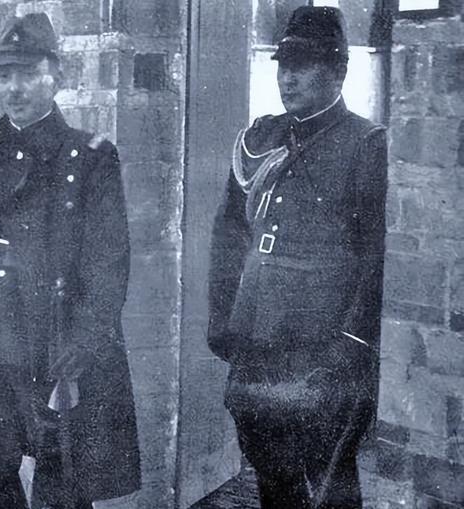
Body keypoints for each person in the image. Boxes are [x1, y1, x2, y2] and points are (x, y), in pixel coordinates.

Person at [0, 12, 140, 509]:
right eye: (4, 75)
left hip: (49, 340)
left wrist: (86, 340)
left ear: (56, 75)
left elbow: (108, 263)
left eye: (28, 73)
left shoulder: (89, 157)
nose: (15, 88)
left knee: (62, 479)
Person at [207, 6, 387, 509]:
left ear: (338, 72)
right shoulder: (260, 139)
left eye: (304, 66)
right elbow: (229, 235)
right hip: (257, 339)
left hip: (321, 351)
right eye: (284, 65)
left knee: (330, 482)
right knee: (271, 473)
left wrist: (351, 345)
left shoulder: (366, 145)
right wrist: (223, 321)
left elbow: (374, 256)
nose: (288, 78)